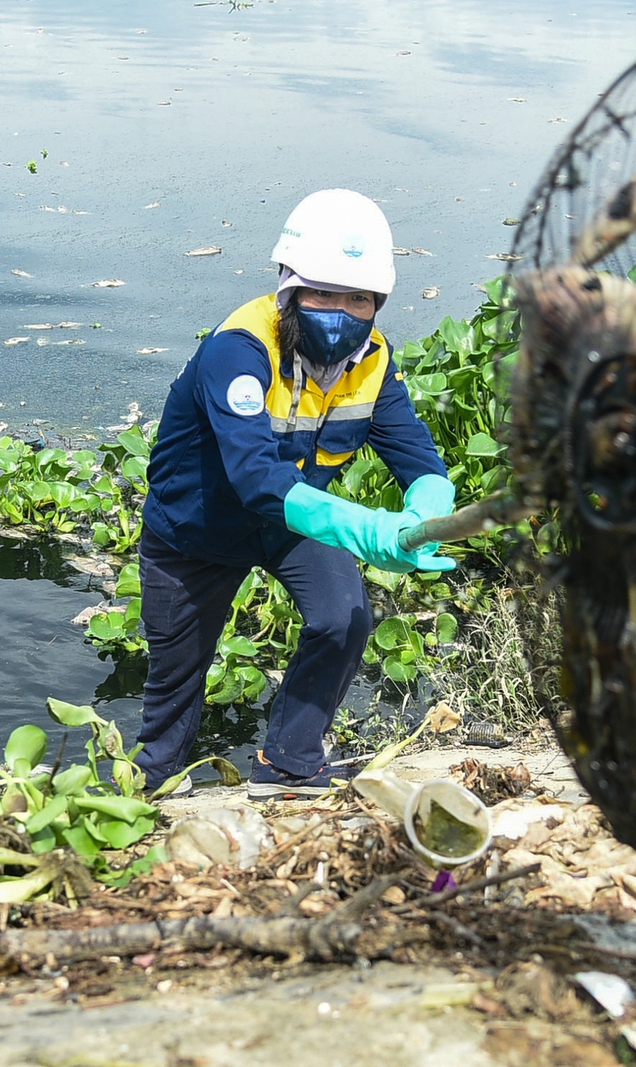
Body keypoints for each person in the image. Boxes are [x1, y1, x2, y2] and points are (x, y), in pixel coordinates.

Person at [137, 188, 455, 797]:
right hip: (195, 532)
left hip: (294, 523)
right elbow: (257, 480)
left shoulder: (375, 361)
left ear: (378, 302)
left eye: (357, 297)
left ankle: (288, 761)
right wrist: (367, 529)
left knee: (345, 616)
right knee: (177, 679)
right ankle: (152, 787)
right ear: (288, 288)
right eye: (322, 293)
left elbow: (415, 453)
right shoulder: (238, 351)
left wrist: (428, 506)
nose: (340, 310)